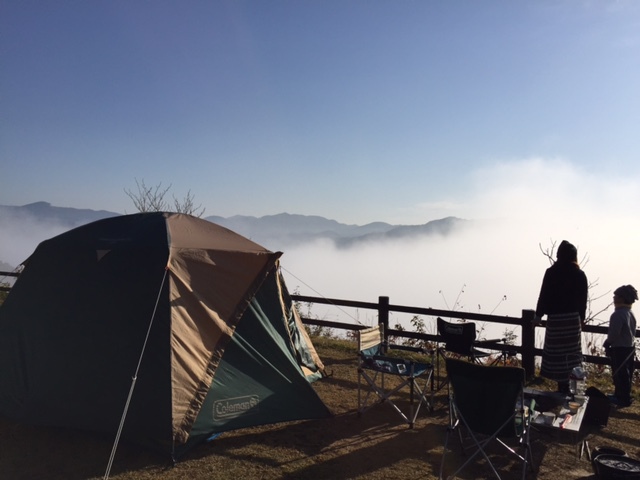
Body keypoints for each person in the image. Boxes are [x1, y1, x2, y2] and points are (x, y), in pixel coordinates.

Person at [535, 240, 588, 394]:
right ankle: (570, 387)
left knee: (557, 355)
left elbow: (544, 295)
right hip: (572, 320)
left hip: (556, 320)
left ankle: (562, 387)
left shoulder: (551, 272)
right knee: (571, 356)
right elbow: (582, 300)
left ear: (559, 255)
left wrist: (538, 316)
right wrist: (581, 318)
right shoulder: (580, 274)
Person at [603, 285, 637, 408]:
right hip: (629, 347)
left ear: (622, 298)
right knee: (626, 374)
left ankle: (622, 398)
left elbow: (614, 333)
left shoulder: (617, 314)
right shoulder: (630, 313)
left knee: (619, 373)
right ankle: (623, 395)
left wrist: (607, 343)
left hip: (619, 347)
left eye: (616, 296)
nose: (614, 298)